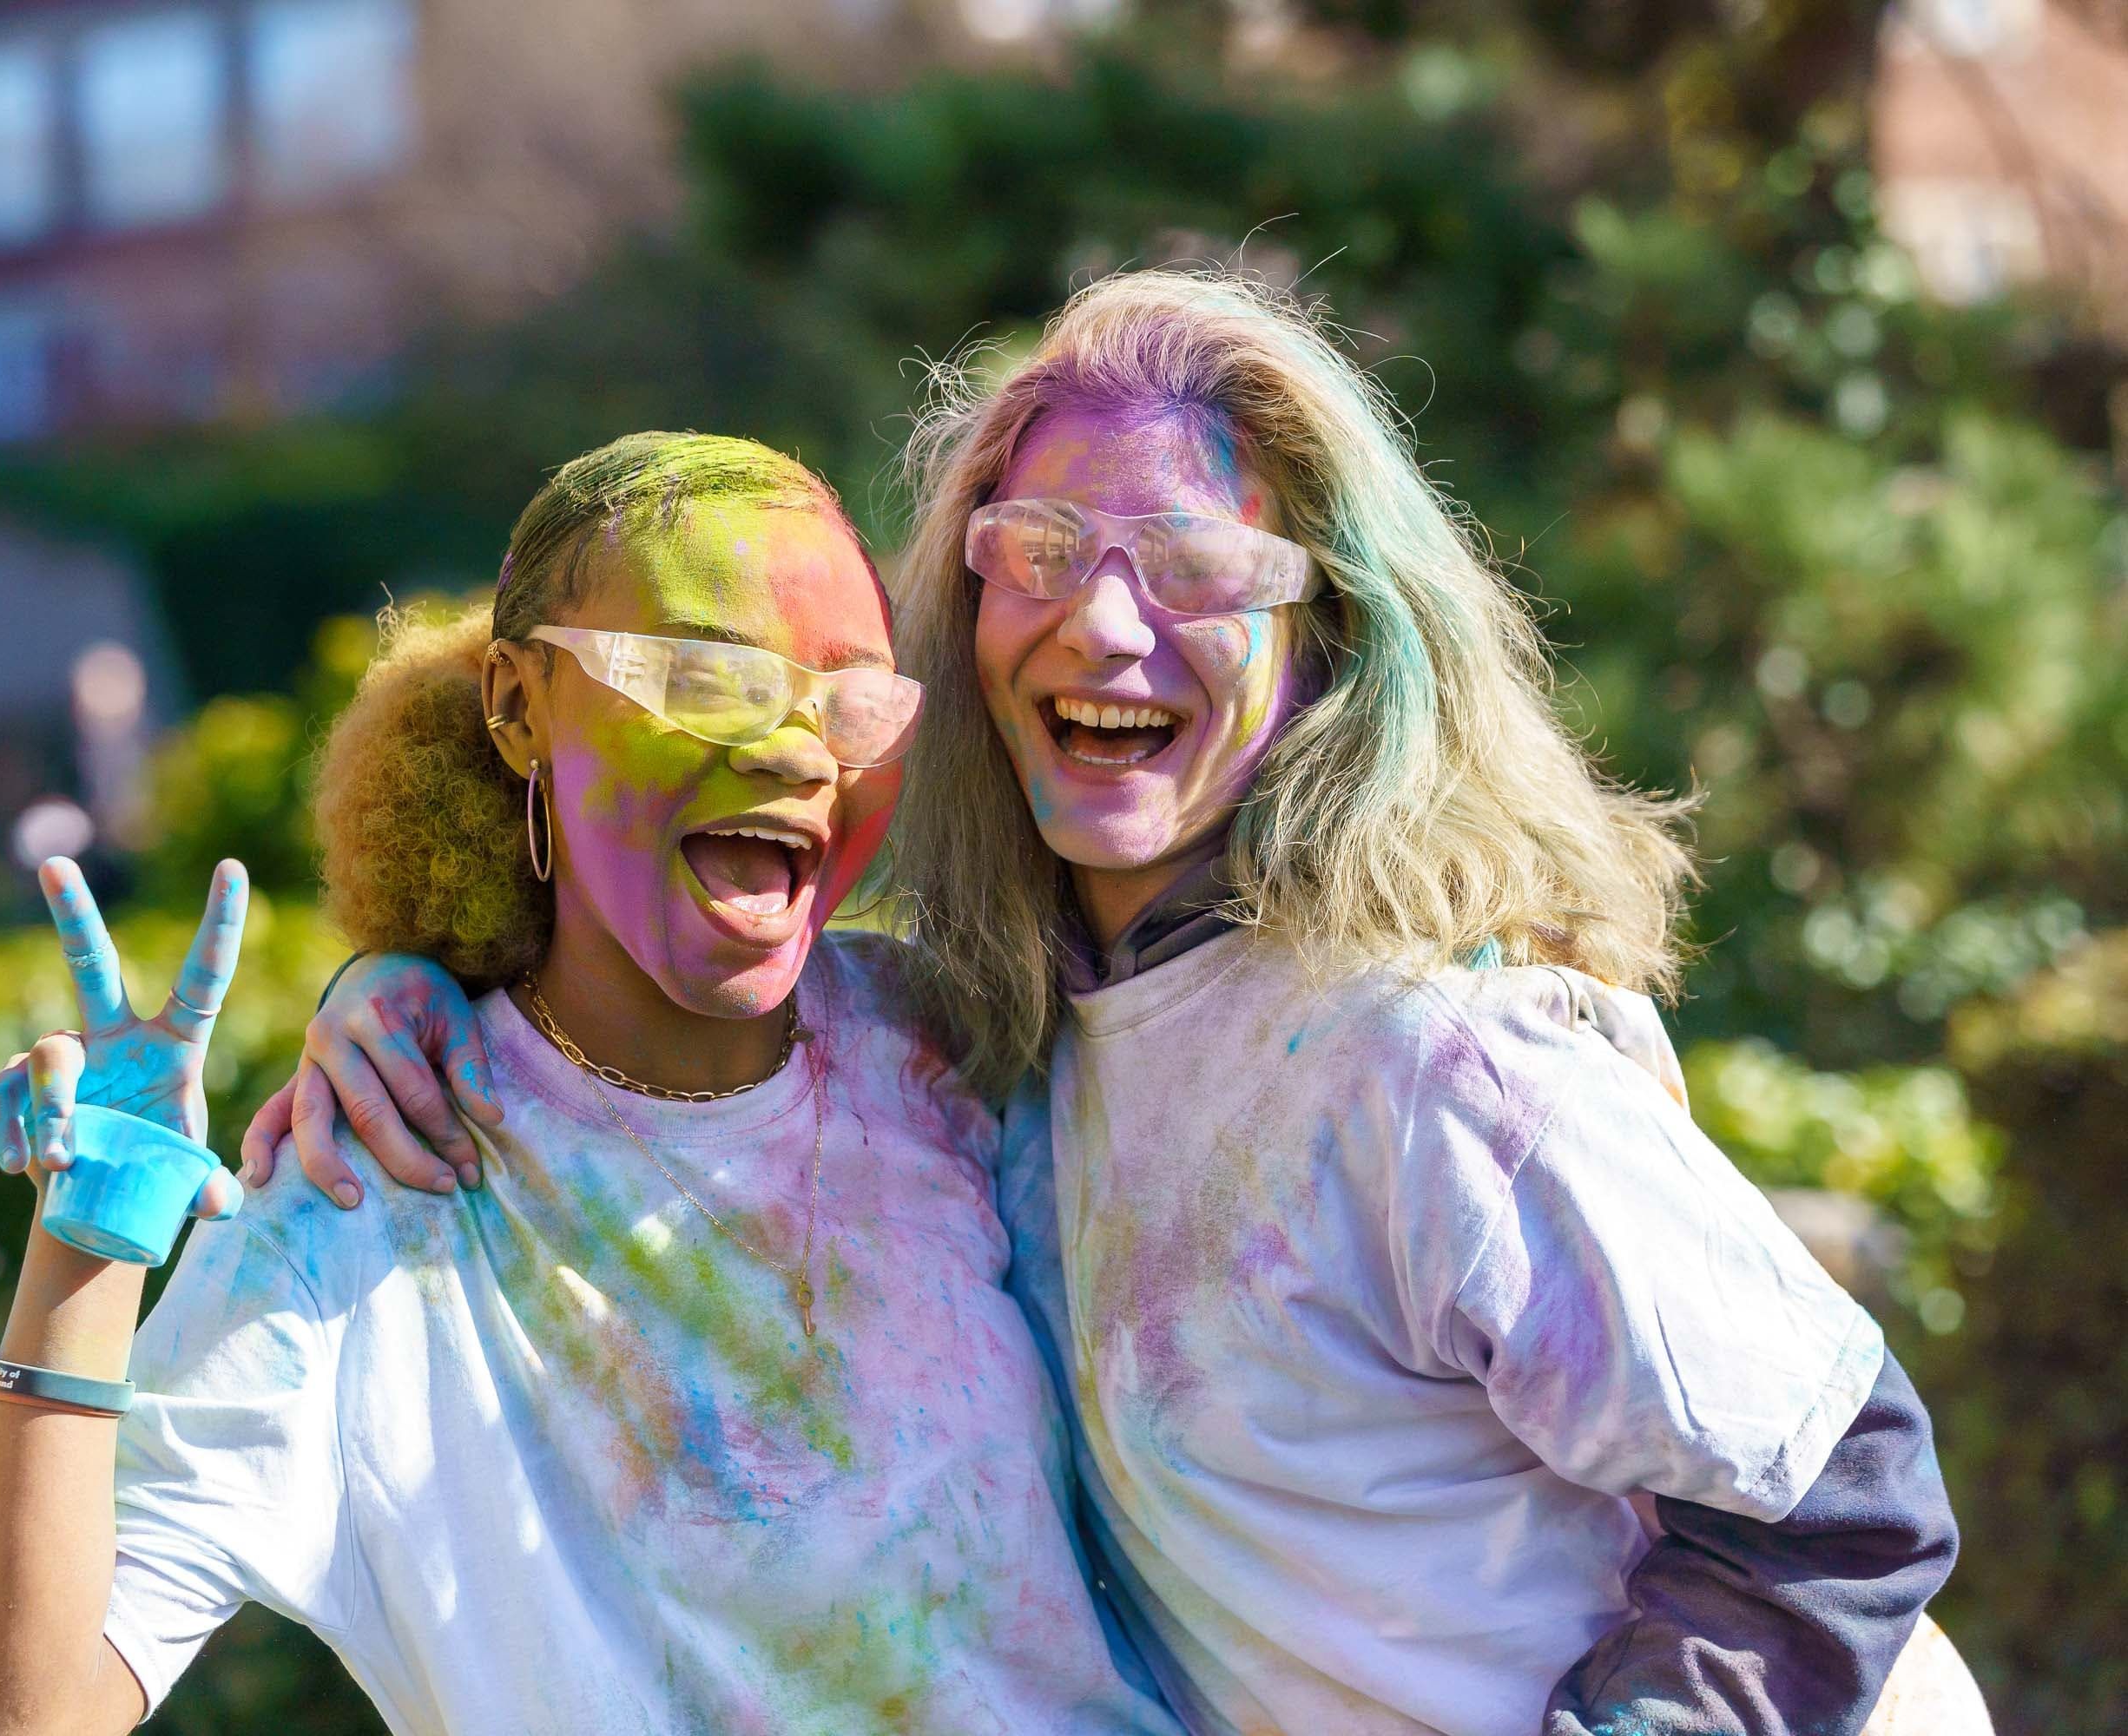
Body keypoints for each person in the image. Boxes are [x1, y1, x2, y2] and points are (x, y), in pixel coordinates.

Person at [256, 274, 1977, 1736]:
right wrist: (412, 972)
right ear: (961, 609)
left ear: (1330, 636)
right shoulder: (986, 1032)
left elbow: (1845, 1488)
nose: (1107, 621)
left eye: (1195, 568)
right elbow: (635, 988)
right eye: (1047, 547)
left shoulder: (1434, 1056)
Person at [0, 432, 1186, 1735]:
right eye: (704, 675)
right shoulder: (367, 1191)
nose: (803, 754)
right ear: (518, 707)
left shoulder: (956, 1051)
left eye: (852, 701)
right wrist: (89, 1254)